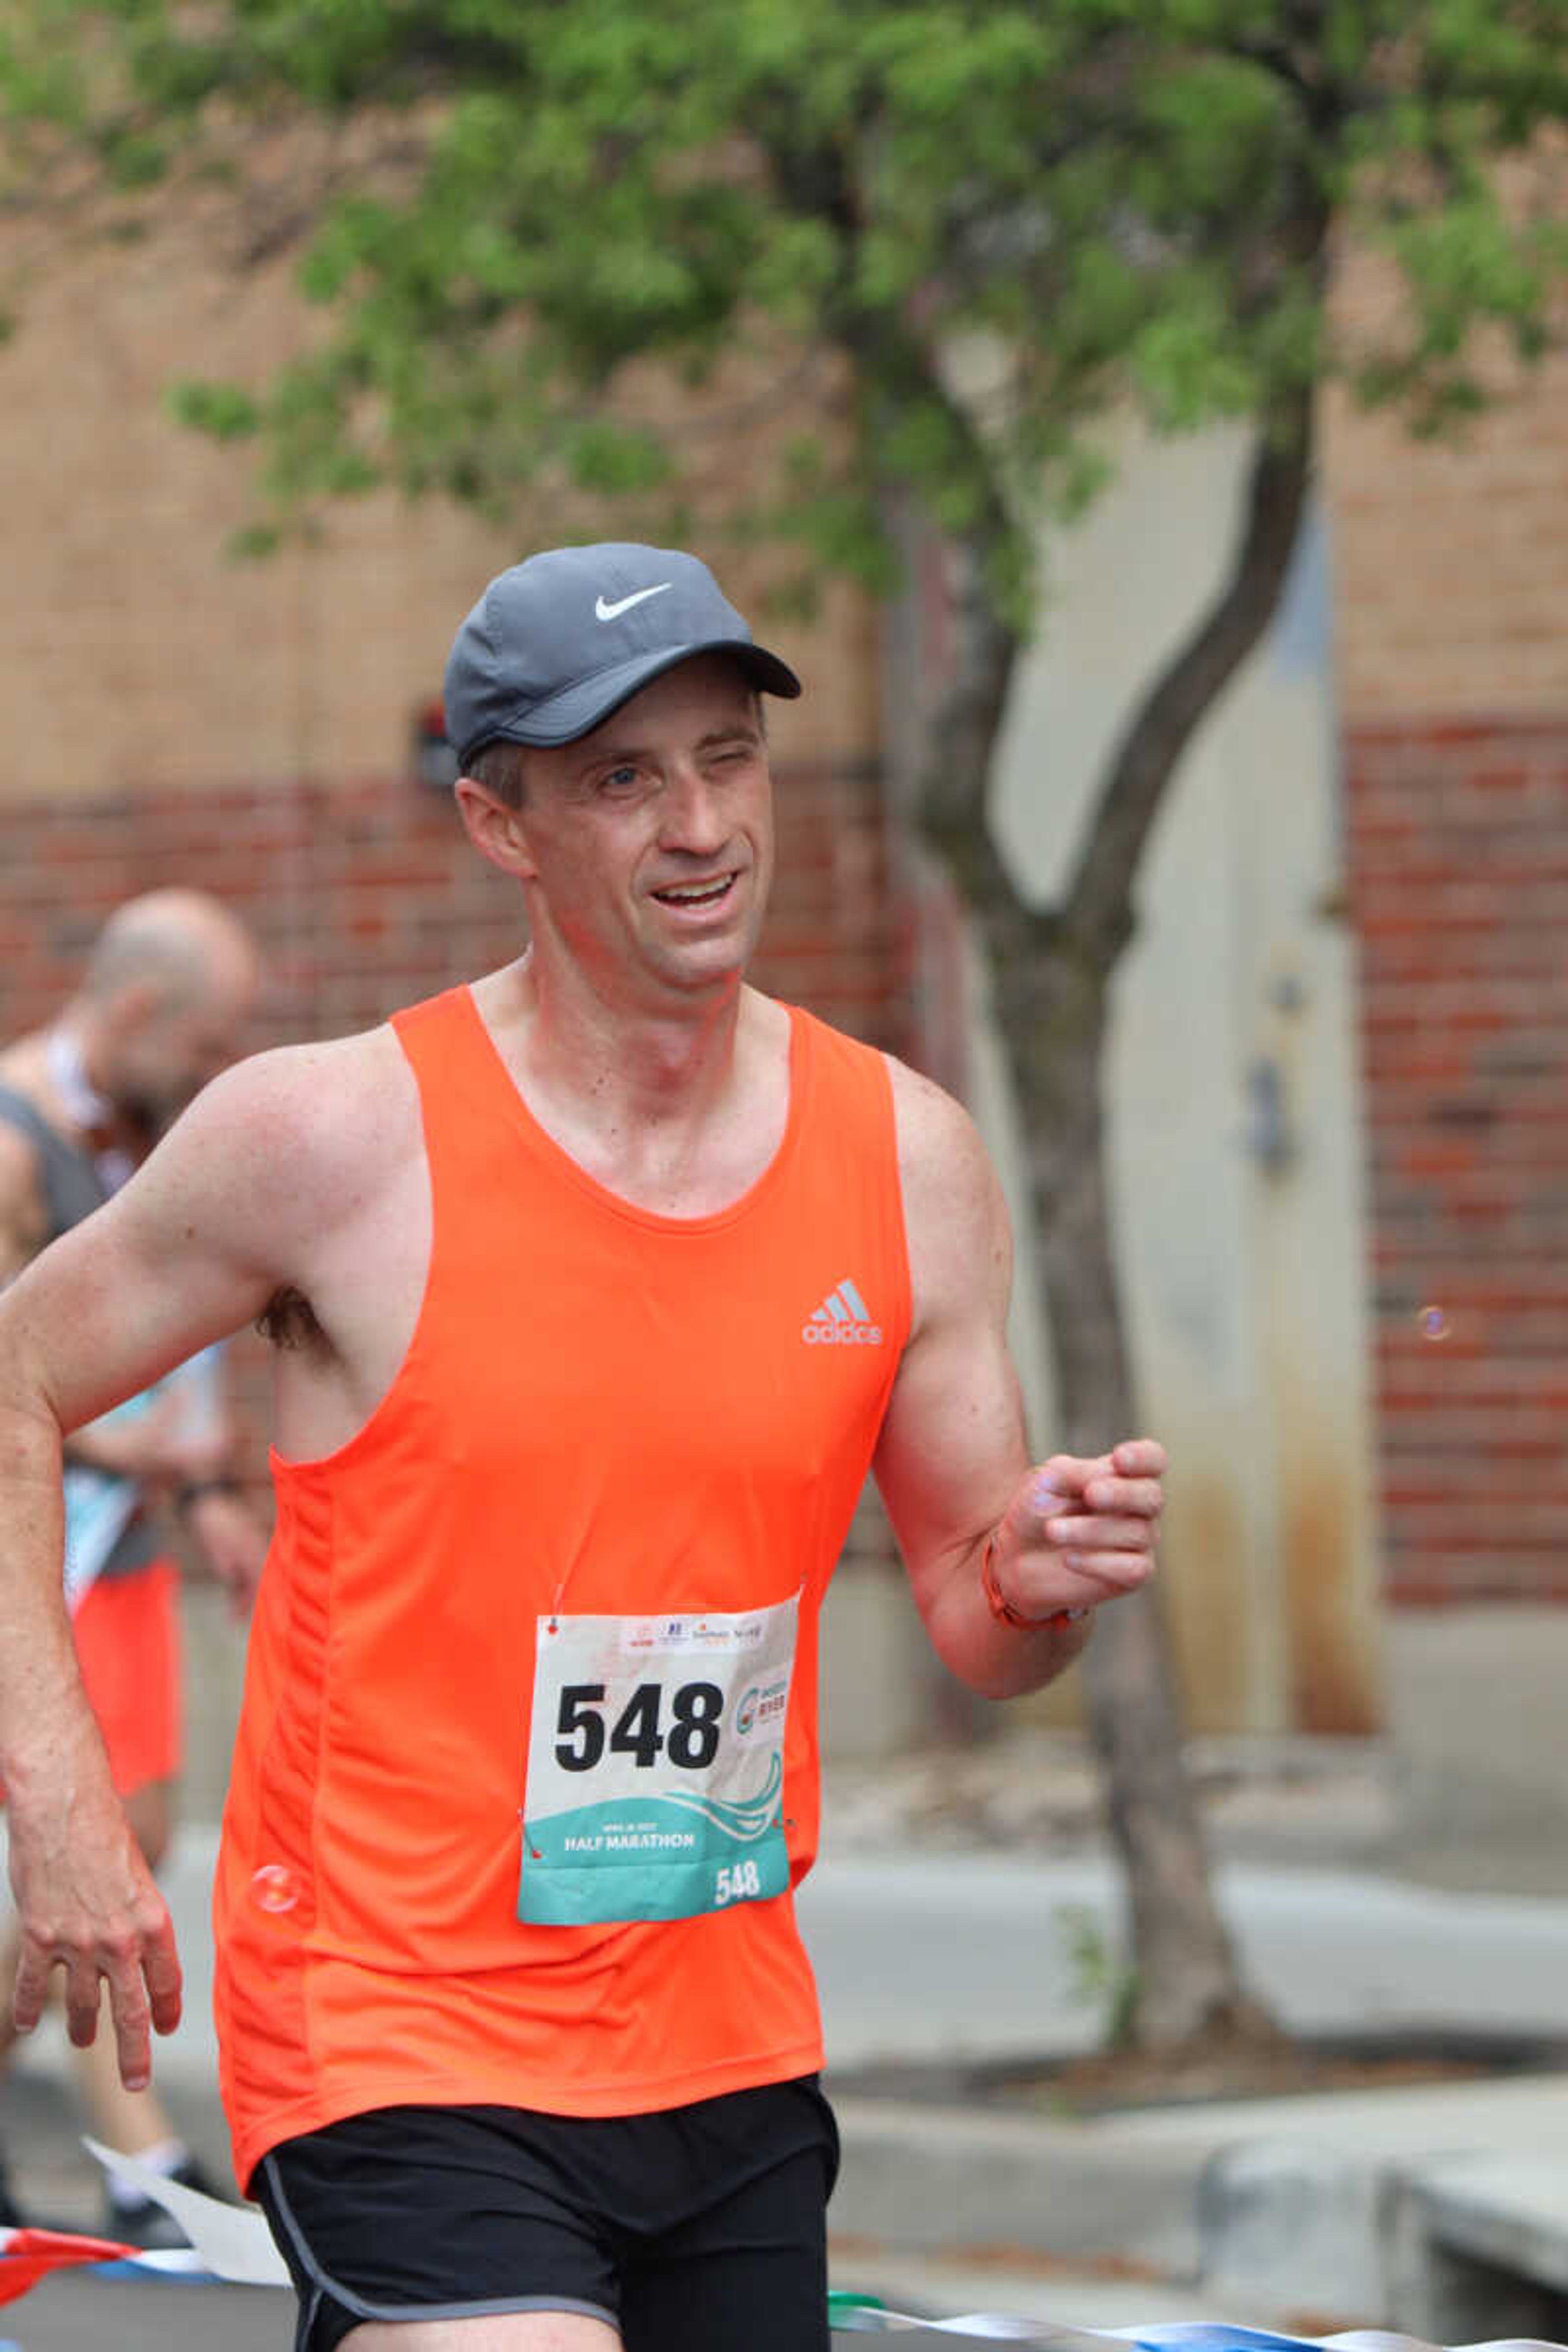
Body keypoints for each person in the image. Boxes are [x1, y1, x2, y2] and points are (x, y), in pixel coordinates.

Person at [0, 546, 1166, 2351]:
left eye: (726, 758)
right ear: (501, 824)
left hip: (725, 2036)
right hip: (392, 2018)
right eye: (623, 780)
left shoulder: (908, 1157)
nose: (699, 826)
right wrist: (65, 1817)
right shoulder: (331, 1141)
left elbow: (975, 1620)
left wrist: (1037, 1574)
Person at [0, 887, 266, 2243]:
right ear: (142, 1012)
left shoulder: (163, 1142)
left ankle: (110, 2144)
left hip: (133, 1556)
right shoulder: (9, 1140)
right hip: (38, 1555)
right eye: (211, 1044)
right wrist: (160, 1458)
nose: (219, 1071)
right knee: (84, 1860)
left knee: (140, 1841)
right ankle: (137, 2152)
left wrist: (211, 1490)